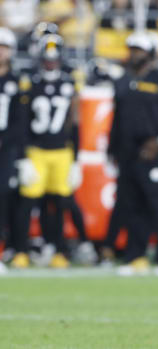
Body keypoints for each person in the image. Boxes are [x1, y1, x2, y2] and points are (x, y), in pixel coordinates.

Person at [108, 32, 158, 275]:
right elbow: (117, 119)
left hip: (154, 154)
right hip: (128, 154)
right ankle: (134, 256)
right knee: (131, 205)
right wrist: (111, 149)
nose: (134, 54)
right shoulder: (123, 80)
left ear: (150, 54)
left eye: (139, 50)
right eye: (132, 49)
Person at [12, 33, 81, 269]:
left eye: (54, 57)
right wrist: (22, 158)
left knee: (60, 203)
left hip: (62, 151)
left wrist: (76, 159)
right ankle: (20, 249)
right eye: (47, 57)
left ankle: (59, 250)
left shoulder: (70, 82)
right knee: (27, 203)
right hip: (37, 151)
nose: (51, 61)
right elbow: (21, 122)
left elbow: (75, 122)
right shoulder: (29, 82)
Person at [0, 27, 26, 270]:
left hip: (7, 149)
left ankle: (5, 249)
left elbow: (21, 120)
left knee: (6, 199)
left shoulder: (17, 82)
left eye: (3, 47)